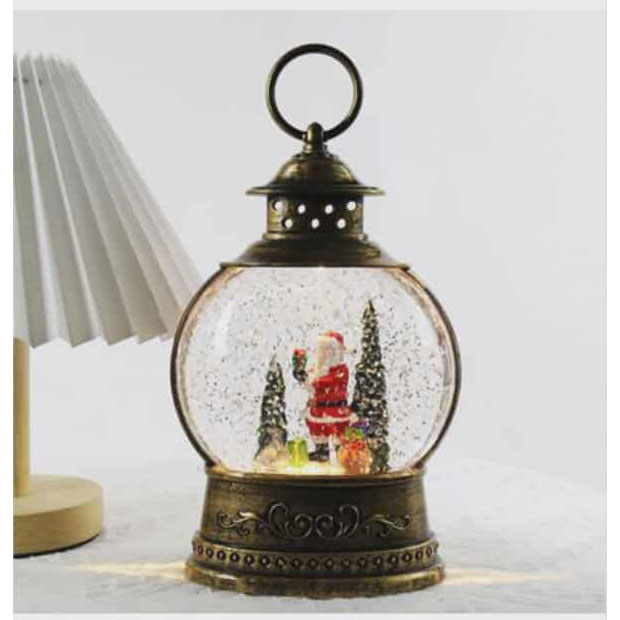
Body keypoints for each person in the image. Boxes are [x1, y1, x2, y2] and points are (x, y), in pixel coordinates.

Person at [292, 331, 354, 462]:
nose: (325, 353)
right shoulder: (317, 369)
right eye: (322, 350)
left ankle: (342, 457)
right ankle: (322, 452)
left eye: (328, 350)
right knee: (319, 433)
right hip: (319, 410)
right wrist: (300, 372)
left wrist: (307, 379)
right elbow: (309, 383)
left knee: (339, 435)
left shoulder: (341, 370)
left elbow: (322, 384)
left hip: (336, 410)